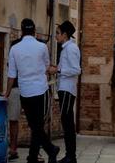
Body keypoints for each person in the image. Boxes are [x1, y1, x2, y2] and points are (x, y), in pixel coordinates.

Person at [5, 19, 59, 163]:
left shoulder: (14, 48)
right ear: (34, 30)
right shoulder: (42, 47)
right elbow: (47, 66)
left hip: (25, 92)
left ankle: (33, 157)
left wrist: (7, 93)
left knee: (34, 125)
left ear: (22, 31)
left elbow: (11, 75)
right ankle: (49, 150)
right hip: (41, 90)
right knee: (37, 125)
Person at [47, 21, 81, 163]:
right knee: (66, 123)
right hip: (64, 88)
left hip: (67, 90)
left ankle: (70, 157)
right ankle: (70, 156)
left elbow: (76, 70)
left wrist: (58, 70)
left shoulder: (71, 48)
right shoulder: (66, 48)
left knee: (67, 124)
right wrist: (55, 68)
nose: (56, 36)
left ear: (65, 35)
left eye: (58, 33)